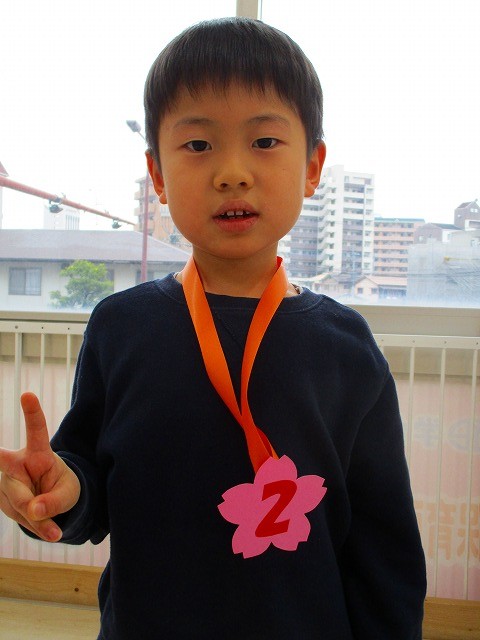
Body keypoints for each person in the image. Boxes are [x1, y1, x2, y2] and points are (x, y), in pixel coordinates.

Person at [0, 17, 426, 639]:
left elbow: (384, 547)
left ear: (313, 166)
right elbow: (88, 485)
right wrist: (60, 489)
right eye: (198, 145)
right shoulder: (121, 328)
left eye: (264, 141)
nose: (231, 171)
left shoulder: (347, 349)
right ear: (158, 174)